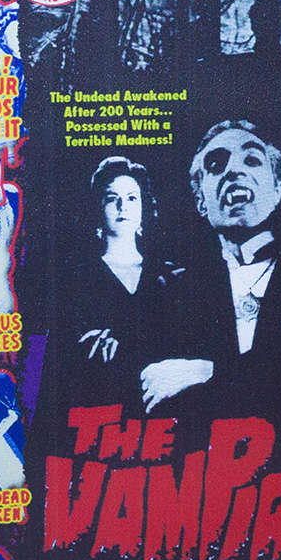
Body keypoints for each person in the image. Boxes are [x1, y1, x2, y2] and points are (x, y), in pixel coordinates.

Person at [139, 120, 281, 534]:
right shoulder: (172, 295)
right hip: (207, 520)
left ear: (278, 188)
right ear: (201, 200)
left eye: (251, 160)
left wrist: (207, 372)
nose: (234, 171)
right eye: (216, 165)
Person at [57, 157, 184, 410]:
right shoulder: (76, 280)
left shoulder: (170, 277)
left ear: (144, 208)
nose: (122, 206)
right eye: (111, 198)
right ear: (98, 208)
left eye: (132, 198)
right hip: (99, 409)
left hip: (163, 410)